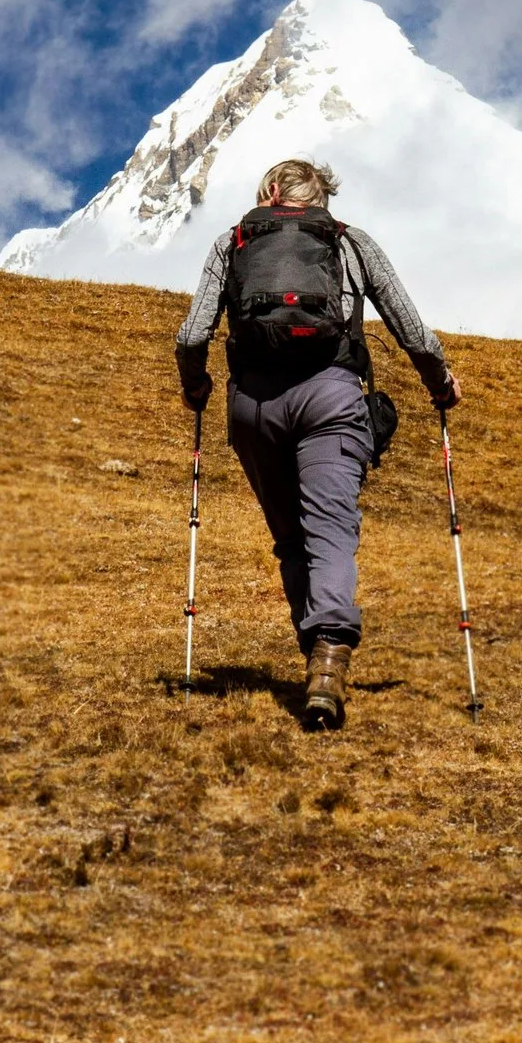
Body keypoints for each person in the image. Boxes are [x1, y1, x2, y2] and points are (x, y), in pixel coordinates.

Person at [175, 158, 460, 730]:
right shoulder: (351, 242)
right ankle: (329, 663)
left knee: (291, 540)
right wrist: (441, 382)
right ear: (319, 199)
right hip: (330, 397)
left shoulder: (232, 242)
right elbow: (409, 326)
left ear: (273, 192)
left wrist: (195, 384)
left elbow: (192, 333)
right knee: (330, 528)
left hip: (253, 407)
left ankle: (316, 657)